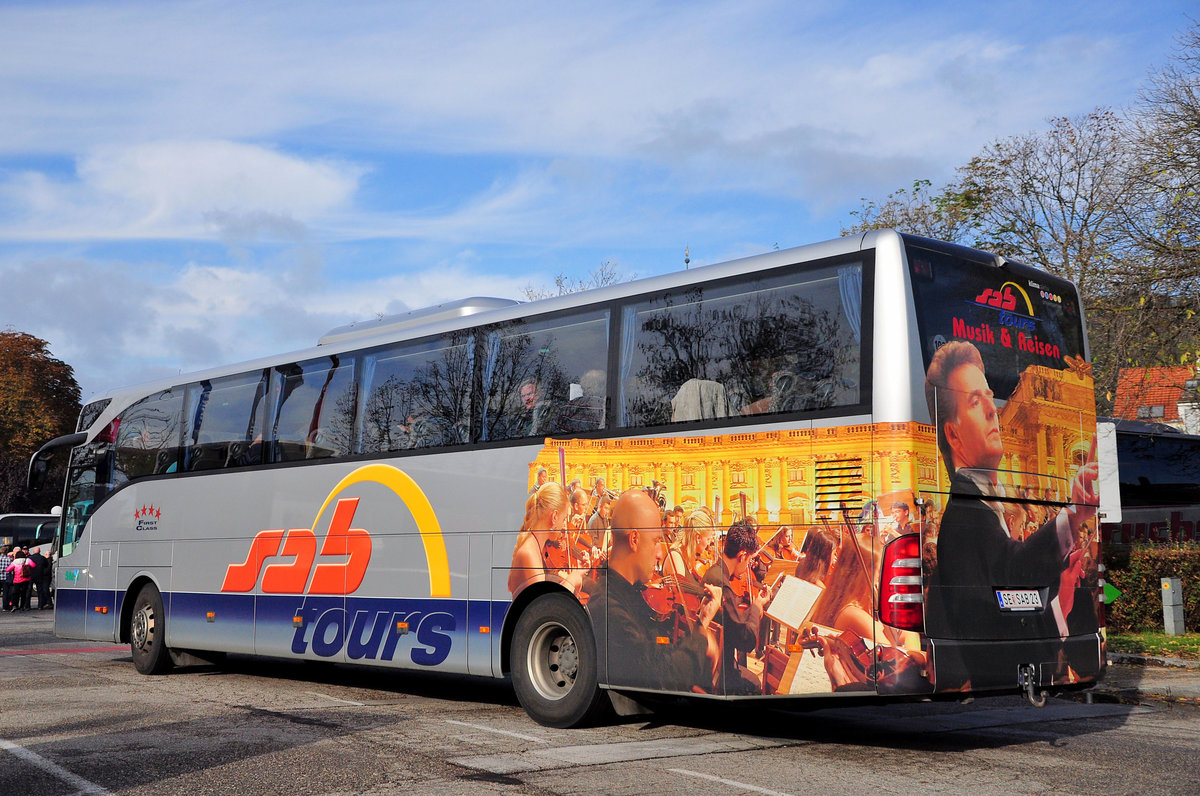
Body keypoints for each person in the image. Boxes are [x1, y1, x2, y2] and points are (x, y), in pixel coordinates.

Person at [923, 340, 1097, 681]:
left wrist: (1058, 606)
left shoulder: (988, 505)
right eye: (976, 401)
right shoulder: (965, 514)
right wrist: (1072, 514)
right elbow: (1013, 572)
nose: (993, 410)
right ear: (953, 435)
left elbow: (1008, 605)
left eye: (990, 396)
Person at [583, 490, 720, 692]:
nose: (659, 553)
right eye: (656, 541)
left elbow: (656, 654)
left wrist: (701, 624)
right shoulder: (609, 609)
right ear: (635, 540)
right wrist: (700, 636)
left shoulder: (628, 592)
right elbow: (663, 674)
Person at [702, 521, 770, 694]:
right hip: (720, 675)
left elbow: (733, 621)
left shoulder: (713, 572)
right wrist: (756, 607)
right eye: (748, 561)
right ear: (741, 556)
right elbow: (745, 641)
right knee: (755, 684)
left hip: (712, 664)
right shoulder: (721, 584)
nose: (747, 566)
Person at [507, 482, 584, 595]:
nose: (564, 527)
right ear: (554, 517)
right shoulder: (529, 553)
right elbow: (544, 604)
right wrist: (571, 581)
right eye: (563, 520)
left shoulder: (535, 545)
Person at [0, 546, 12, 612]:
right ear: (6, 552)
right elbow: (11, 568)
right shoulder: (9, 559)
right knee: (5, 593)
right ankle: (5, 607)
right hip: (6, 577)